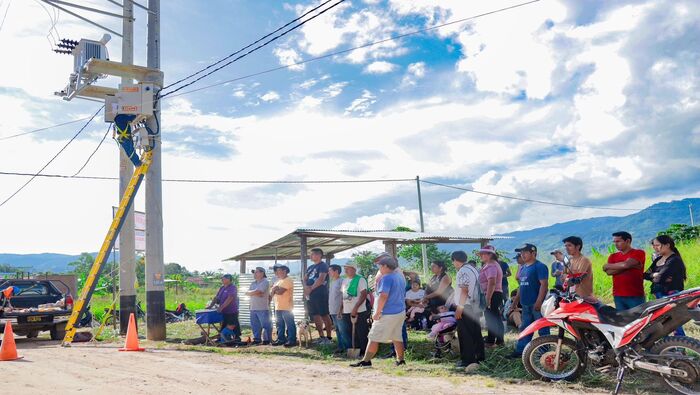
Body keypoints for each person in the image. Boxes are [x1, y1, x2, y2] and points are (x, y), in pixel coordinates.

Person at [350, 253, 406, 368]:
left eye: (380, 266)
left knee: (373, 336)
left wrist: (377, 312)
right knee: (397, 336)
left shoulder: (386, 278)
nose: (379, 268)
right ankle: (400, 360)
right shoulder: (399, 276)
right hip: (400, 311)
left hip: (387, 313)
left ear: (385, 266)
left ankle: (366, 361)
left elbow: (383, 296)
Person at [509, 243, 549, 359]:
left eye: (525, 252)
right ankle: (520, 350)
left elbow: (544, 285)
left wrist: (539, 301)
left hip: (536, 304)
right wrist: (515, 302)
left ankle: (544, 352)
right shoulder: (524, 268)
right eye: (521, 253)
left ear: (533, 253)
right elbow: (521, 287)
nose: (523, 255)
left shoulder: (540, 266)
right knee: (525, 328)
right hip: (526, 304)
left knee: (542, 329)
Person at [645, 235, 687, 336]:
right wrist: (655, 275)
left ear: (667, 245)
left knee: (673, 322)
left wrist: (657, 277)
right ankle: (668, 347)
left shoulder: (674, 260)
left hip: (670, 295)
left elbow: (660, 278)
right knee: (662, 323)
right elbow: (645, 274)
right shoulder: (657, 260)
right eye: (654, 245)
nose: (655, 248)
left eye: (657, 245)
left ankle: (681, 348)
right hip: (658, 295)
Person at [449, 250, 483, 372]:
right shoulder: (473, 269)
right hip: (475, 305)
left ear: (455, 260)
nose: (453, 264)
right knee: (475, 332)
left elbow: (464, 290)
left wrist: (460, 307)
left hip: (466, 306)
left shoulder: (462, 271)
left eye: (453, 261)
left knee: (465, 334)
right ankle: (479, 357)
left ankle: (467, 360)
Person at [603, 231, 646, 310]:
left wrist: (607, 265)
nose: (616, 244)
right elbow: (609, 272)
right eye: (614, 242)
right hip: (618, 295)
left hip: (635, 294)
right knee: (623, 321)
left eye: (618, 241)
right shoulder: (613, 256)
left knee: (639, 320)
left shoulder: (638, 252)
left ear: (628, 241)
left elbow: (626, 265)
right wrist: (628, 266)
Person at [304, 248, 333, 344]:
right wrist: (306, 288)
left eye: (314, 254)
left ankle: (329, 337)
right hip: (310, 295)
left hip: (320, 294)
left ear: (319, 255)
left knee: (324, 314)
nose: (311, 256)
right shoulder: (310, 267)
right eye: (311, 254)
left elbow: (321, 279)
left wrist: (311, 288)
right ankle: (321, 336)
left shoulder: (323, 265)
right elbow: (304, 279)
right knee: (315, 315)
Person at [478, 245, 504, 347]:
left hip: (493, 294)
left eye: (484, 253)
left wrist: (487, 299)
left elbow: (492, 282)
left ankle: (491, 341)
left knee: (491, 318)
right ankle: (498, 340)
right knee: (495, 317)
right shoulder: (491, 264)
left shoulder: (491, 266)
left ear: (490, 255)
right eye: (481, 253)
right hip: (494, 294)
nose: (481, 255)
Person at [341, 262, 370, 356]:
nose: (345, 270)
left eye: (348, 268)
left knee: (361, 331)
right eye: (345, 268)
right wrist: (340, 309)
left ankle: (364, 351)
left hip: (359, 310)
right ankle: (355, 349)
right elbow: (343, 296)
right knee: (350, 331)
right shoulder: (344, 280)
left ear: (354, 269)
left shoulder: (360, 279)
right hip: (346, 310)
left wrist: (355, 308)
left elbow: (364, 294)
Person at [207, 274, 240, 340]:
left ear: (228, 279)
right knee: (224, 326)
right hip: (223, 312)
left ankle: (236, 339)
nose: (222, 280)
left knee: (233, 326)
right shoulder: (222, 288)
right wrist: (210, 306)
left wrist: (221, 307)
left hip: (231, 311)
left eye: (224, 278)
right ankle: (224, 339)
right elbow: (216, 298)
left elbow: (230, 298)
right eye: (222, 278)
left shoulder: (232, 287)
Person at [270, 264, 297, 347]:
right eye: (277, 271)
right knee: (279, 324)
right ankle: (281, 339)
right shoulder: (278, 281)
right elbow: (271, 293)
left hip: (287, 306)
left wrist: (275, 289)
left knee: (289, 324)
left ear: (284, 271)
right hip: (278, 306)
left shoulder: (288, 280)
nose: (277, 273)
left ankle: (291, 340)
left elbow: (280, 292)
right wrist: (274, 290)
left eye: (279, 271)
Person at [246, 267, 272, 345]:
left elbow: (259, 291)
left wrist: (253, 293)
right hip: (253, 307)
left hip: (262, 307)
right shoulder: (253, 283)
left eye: (256, 272)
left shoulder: (265, 282)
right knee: (255, 325)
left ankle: (267, 340)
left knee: (266, 325)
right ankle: (257, 339)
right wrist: (255, 293)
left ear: (262, 273)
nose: (254, 274)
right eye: (254, 272)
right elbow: (248, 293)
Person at [328, 264, 349, 354]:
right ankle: (340, 347)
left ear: (336, 271)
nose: (329, 272)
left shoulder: (342, 281)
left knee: (343, 330)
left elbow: (344, 296)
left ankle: (348, 348)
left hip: (339, 310)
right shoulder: (332, 281)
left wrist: (341, 309)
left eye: (330, 271)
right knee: (337, 329)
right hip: (332, 310)